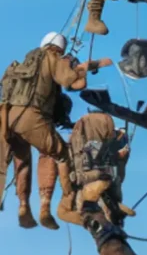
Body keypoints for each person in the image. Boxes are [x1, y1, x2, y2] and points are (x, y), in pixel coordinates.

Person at [0, 33, 112, 230]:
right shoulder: (52, 58)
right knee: (63, 155)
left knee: (23, 161)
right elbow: (74, 83)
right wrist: (83, 69)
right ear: (59, 48)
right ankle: (62, 205)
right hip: (31, 117)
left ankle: (23, 206)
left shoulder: (22, 64)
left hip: (7, 118)